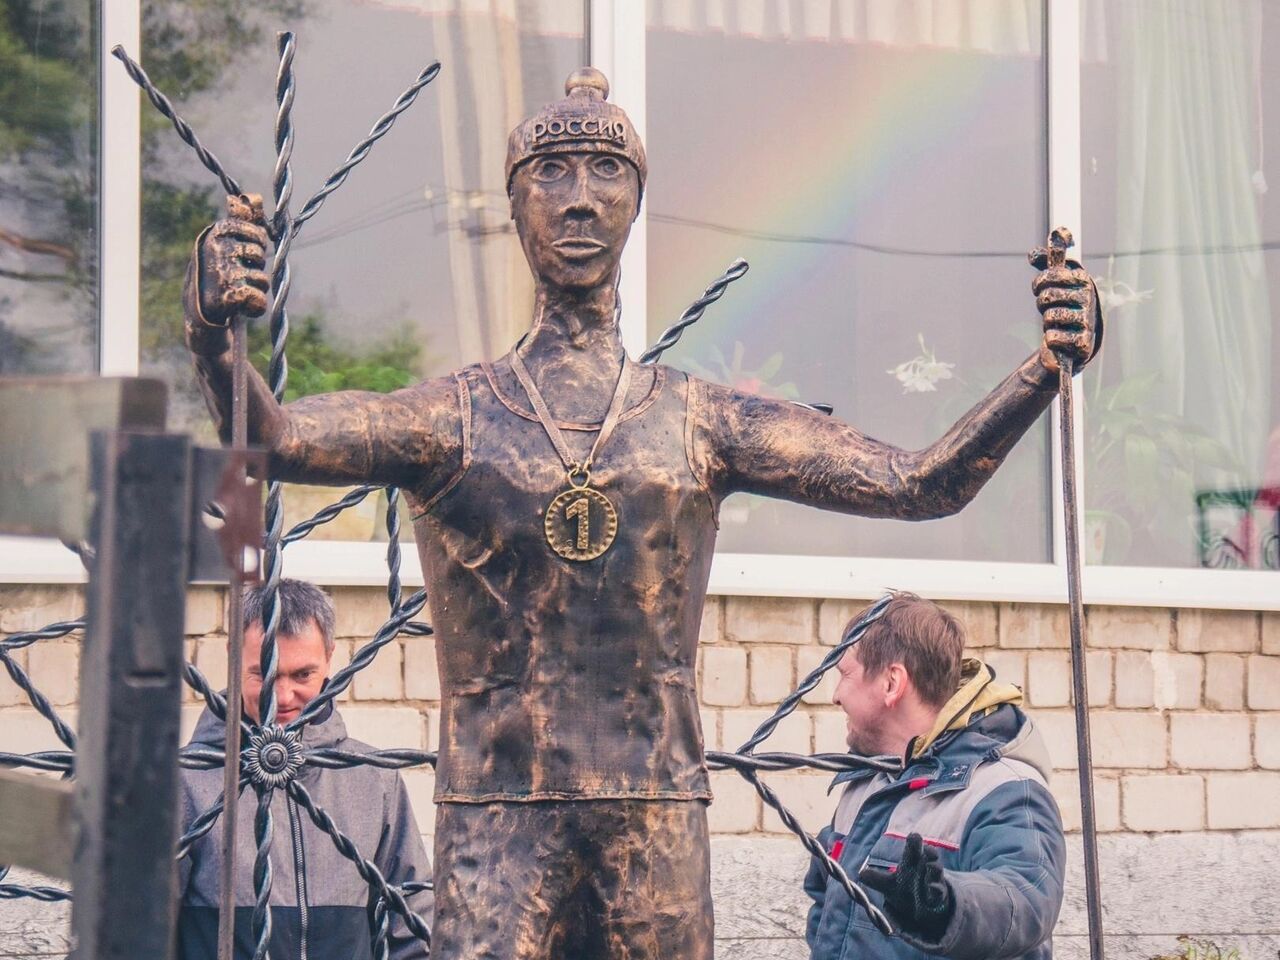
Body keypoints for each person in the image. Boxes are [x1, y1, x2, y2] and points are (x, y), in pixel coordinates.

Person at [180, 67, 1098, 959]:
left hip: (652, 816)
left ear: (635, 202)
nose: (579, 199)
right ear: (513, 205)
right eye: (551, 172)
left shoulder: (696, 422)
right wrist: (212, 334)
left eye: (606, 171)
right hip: (498, 818)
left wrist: (1042, 370)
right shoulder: (453, 419)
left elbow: (921, 483)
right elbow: (275, 441)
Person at [177, 579, 433, 960]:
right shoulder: (185, 781)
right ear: (233, 657)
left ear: (330, 657)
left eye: (302, 676)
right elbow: (135, 934)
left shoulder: (374, 779)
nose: (282, 698)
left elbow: (413, 932)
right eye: (264, 673)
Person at [804, 592, 1065, 960]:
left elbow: (1029, 896)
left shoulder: (1005, 789)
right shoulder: (868, 782)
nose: (835, 695)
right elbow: (824, 898)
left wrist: (946, 905)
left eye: (845, 674)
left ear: (892, 683)